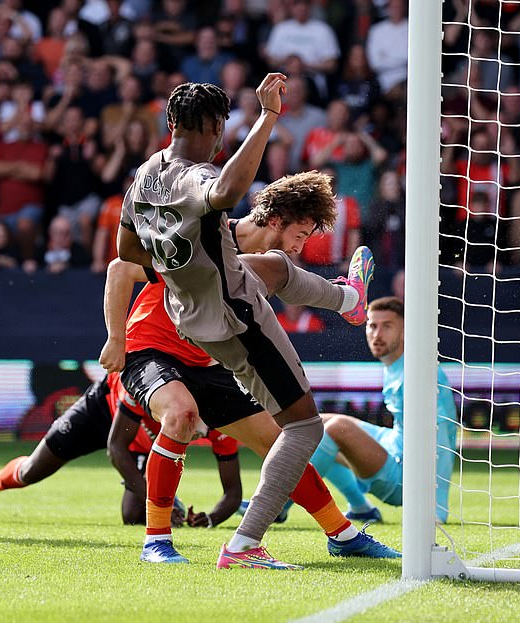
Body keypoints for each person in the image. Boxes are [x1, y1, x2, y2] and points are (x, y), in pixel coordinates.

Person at [110, 150, 397, 567]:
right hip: (153, 348)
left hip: (207, 359)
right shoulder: (205, 237)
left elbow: (278, 274)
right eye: (301, 235)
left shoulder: (260, 266)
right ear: (277, 220)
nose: (302, 247)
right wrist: (115, 339)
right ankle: (156, 541)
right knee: (181, 414)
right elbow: (121, 269)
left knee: (286, 441)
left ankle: (342, 532)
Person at [0, 371, 241, 528]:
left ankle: (159, 490)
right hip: (102, 412)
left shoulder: (223, 423)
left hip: (144, 439)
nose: (197, 434)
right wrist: (160, 504)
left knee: (133, 515)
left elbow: (232, 491)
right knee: (32, 471)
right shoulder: (149, 388)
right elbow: (115, 448)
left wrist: (211, 518)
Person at [311, 297, 458, 524]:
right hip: (395, 444)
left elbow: (442, 436)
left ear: (405, 331)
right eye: (372, 325)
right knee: (317, 424)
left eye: (387, 326)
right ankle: (361, 508)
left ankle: (276, 507)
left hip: (406, 478)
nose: (377, 334)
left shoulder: (418, 373)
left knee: (338, 429)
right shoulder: (397, 364)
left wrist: (437, 505)